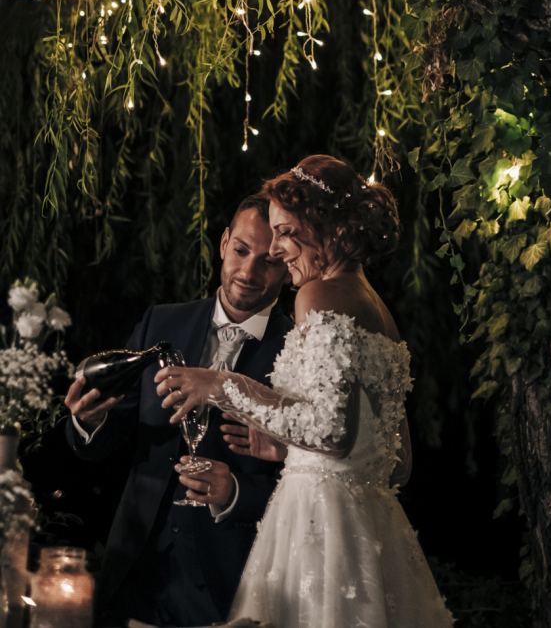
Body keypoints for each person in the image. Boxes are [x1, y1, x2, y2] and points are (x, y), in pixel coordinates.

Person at [155, 156, 454, 628]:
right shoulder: (378, 309)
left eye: (287, 232)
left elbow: (331, 433)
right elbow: (397, 463)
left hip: (318, 527)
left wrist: (222, 384)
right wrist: (290, 449)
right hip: (370, 530)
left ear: (330, 229)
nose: (276, 249)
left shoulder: (318, 294)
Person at [64, 195, 294, 628]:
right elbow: (107, 438)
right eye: (241, 250)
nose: (247, 272)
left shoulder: (300, 351)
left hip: (234, 582)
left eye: (268, 261)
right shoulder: (160, 324)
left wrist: (238, 494)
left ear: (288, 266)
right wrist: (88, 423)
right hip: (136, 574)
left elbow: (321, 481)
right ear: (224, 243)